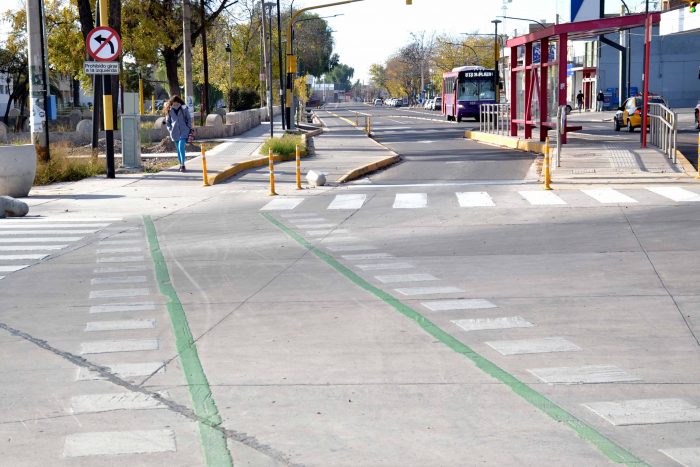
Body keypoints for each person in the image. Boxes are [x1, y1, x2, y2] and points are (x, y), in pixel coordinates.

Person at [164, 95, 192, 172]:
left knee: (181, 147)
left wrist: (188, 127)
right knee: (178, 150)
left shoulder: (183, 108)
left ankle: (183, 165)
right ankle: (180, 164)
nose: (175, 104)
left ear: (179, 102)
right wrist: (170, 129)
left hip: (184, 131)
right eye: (174, 102)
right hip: (174, 132)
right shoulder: (169, 110)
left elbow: (188, 118)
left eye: (176, 102)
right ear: (172, 102)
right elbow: (168, 122)